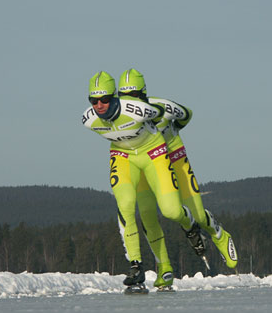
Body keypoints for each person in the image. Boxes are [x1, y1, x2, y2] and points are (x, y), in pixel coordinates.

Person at [81, 71, 206, 292]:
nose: (99, 105)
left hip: (153, 152)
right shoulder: (88, 119)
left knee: (170, 210)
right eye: (94, 100)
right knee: (126, 205)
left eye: (104, 99)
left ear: (115, 97)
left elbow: (163, 112)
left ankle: (190, 225)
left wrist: (173, 131)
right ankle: (136, 266)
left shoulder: (138, 110)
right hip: (123, 156)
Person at [118, 68, 238, 290]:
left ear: (143, 94)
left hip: (174, 158)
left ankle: (217, 233)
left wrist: (173, 134)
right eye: (123, 98)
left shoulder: (161, 106)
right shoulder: (120, 116)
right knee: (147, 216)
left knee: (197, 214)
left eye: (133, 97)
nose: (129, 104)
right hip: (146, 163)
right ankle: (165, 268)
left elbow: (187, 115)